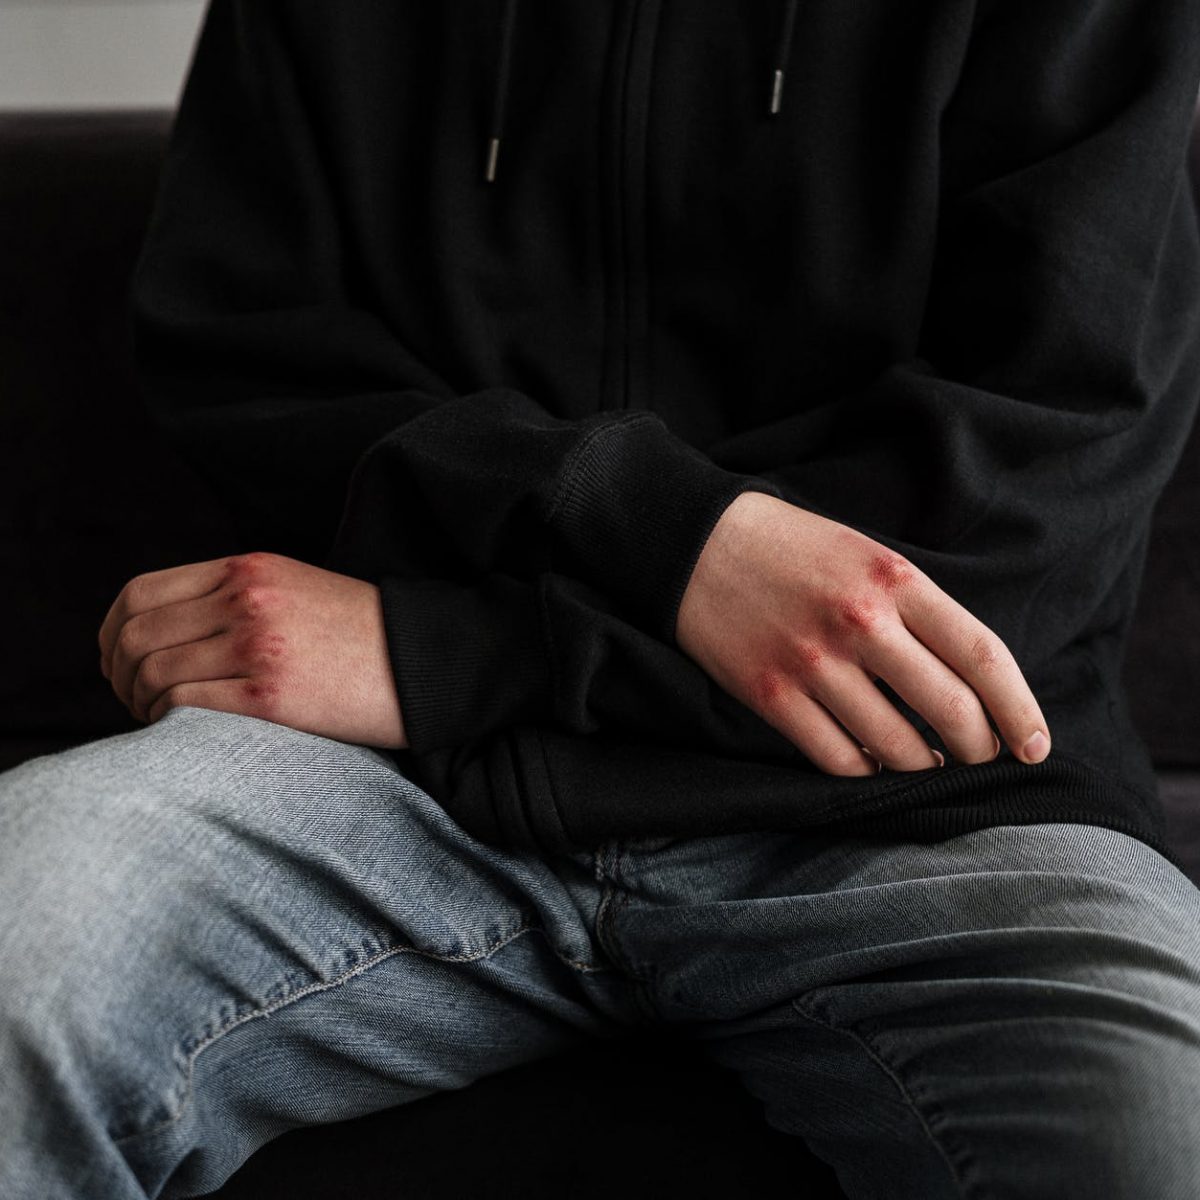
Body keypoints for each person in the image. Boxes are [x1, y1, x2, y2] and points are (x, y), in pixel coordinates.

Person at [3, 1, 1200, 1196]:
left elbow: (1042, 483)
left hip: (928, 805)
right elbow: (249, 360)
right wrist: (662, 536)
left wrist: (448, 656)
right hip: (399, 784)